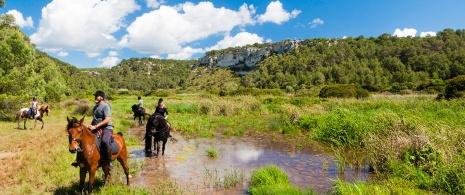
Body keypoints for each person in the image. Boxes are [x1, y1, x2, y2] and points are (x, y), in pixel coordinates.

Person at [72, 91, 115, 170]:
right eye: (95, 96)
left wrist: (96, 126)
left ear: (101, 97)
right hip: (96, 127)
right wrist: (91, 126)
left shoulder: (105, 106)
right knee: (82, 139)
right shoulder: (95, 107)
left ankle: (109, 161)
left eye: (97, 96)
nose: (95, 97)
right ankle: (79, 160)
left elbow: (107, 119)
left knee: (105, 141)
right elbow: (95, 119)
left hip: (106, 128)